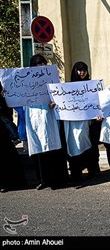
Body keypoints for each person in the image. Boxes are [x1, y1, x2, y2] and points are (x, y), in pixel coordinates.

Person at [25, 54, 69, 190]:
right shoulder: (26, 81)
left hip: (49, 118)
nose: (41, 66)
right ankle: (43, 179)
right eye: (39, 64)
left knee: (52, 148)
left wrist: (54, 103)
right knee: (39, 148)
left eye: (43, 63)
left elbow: (59, 96)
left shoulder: (52, 79)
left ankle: (57, 179)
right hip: (33, 117)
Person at [60, 61, 100, 185]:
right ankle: (76, 173)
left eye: (84, 70)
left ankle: (92, 171)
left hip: (88, 122)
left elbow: (97, 101)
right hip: (72, 123)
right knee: (74, 145)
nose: (82, 72)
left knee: (90, 145)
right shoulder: (68, 88)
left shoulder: (92, 86)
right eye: (80, 70)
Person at [0, 82, 27, 193]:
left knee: (5, 159)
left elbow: (8, 115)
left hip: (2, 134)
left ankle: (7, 182)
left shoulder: (3, 100)